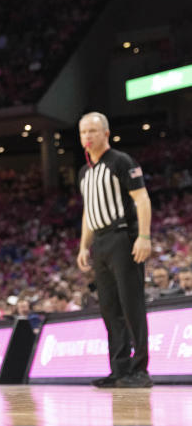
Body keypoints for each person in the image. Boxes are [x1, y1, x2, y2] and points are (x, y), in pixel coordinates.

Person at [76, 112, 153, 389]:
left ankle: (140, 370)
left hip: (123, 237)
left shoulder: (121, 161)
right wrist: (84, 245)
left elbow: (142, 199)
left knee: (132, 304)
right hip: (100, 243)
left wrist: (144, 236)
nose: (87, 137)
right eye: (84, 132)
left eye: (93, 131)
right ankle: (119, 370)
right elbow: (88, 212)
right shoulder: (84, 172)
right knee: (109, 308)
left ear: (106, 133)